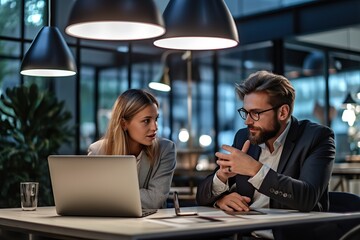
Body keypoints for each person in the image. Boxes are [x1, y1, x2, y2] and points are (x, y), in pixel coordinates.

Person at [196, 70, 336, 240]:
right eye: (245, 112)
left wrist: (255, 170)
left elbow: (307, 198)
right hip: (243, 234)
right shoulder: (244, 136)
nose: (247, 121)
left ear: (283, 112)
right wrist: (221, 192)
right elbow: (201, 196)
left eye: (256, 113)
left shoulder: (316, 138)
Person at [88, 89, 176, 209]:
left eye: (156, 119)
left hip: (151, 224)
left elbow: (154, 200)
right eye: (146, 121)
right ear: (124, 124)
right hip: (110, 221)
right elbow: (92, 197)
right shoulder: (98, 151)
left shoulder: (165, 149)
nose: (155, 127)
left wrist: (108, 193)